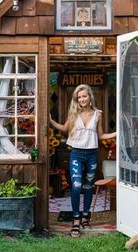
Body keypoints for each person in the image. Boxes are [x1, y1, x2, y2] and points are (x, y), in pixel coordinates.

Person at [49, 84, 116, 238]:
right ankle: (76, 220)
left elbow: (100, 136)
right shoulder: (74, 113)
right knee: (77, 186)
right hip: (77, 154)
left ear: (89, 97)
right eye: (79, 97)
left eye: (84, 96)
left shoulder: (98, 114)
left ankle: (86, 216)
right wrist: (51, 121)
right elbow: (65, 128)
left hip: (92, 154)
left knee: (88, 187)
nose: (82, 99)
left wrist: (116, 132)